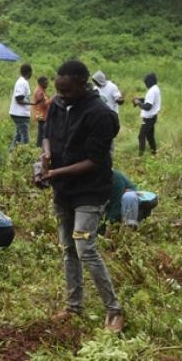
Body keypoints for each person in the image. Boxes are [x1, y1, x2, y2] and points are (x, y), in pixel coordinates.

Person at [39, 60, 124, 333]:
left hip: (90, 189)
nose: (62, 97)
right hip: (63, 190)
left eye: (67, 92)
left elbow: (96, 161)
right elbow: (46, 134)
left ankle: (114, 310)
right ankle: (73, 307)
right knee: (68, 249)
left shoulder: (100, 114)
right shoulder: (57, 104)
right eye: (59, 91)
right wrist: (47, 154)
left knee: (85, 248)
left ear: (82, 83)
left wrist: (56, 173)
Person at [132, 73, 161, 155]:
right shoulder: (155, 88)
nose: (145, 85)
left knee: (141, 136)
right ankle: (154, 153)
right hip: (153, 117)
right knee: (150, 136)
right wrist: (141, 99)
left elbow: (148, 107)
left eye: (146, 82)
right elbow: (149, 101)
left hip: (148, 118)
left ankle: (140, 156)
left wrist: (138, 103)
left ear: (150, 82)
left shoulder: (152, 91)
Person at [9, 63, 33, 148]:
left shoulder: (21, 81)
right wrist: (32, 103)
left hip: (17, 113)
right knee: (25, 138)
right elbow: (19, 99)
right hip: (20, 114)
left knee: (18, 136)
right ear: (30, 73)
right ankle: (23, 156)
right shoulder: (23, 82)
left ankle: (12, 154)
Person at [33, 76, 50, 147]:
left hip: (42, 115)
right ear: (40, 83)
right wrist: (53, 99)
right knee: (43, 134)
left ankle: (39, 147)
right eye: (45, 83)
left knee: (41, 133)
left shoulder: (41, 90)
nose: (47, 84)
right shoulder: (39, 92)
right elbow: (44, 104)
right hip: (41, 115)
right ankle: (40, 148)